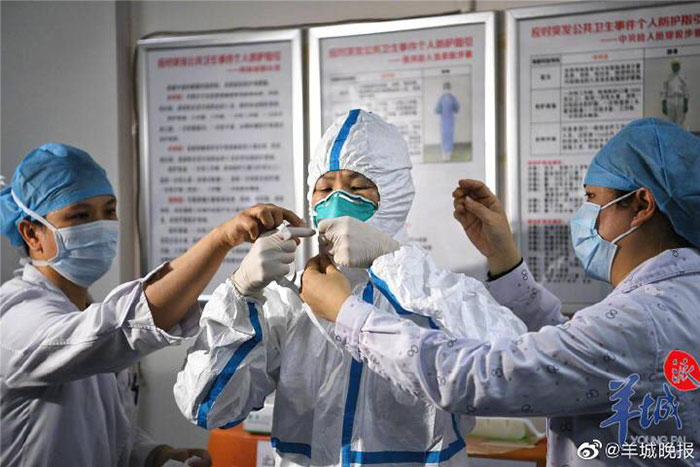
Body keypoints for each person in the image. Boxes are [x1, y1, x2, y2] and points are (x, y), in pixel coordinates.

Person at [301, 118, 700, 466]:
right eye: (324, 187)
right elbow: (566, 347)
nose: (338, 201)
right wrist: (504, 260)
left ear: (641, 205)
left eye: (592, 199)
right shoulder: (675, 298)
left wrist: (348, 313)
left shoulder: (640, 321)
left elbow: (478, 375)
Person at [174, 109, 526, 466]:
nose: (338, 200)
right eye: (325, 188)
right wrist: (240, 293)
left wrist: (393, 259)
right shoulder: (290, 300)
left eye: (358, 187)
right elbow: (206, 407)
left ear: (394, 193)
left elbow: (513, 371)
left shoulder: (438, 293)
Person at [0, 143, 307, 467]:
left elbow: (102, 427)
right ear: (31, 233)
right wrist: (222, 241)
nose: (101, 224)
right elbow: (122, 327)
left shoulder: (79, 308)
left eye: (109, 210)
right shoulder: (16, 319)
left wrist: (153, 455)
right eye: (80, 215)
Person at [435, 81, 460, 161]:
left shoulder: (453, 98)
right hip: (443, 120)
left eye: (448, 89)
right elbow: (437, 110)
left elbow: (457, 108)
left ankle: (449, 154)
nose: (447, 90)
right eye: (445, 89)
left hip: (450, 120)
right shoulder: (441, 99)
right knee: (444, 136)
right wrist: (440, 112)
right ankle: (444, 154)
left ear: (450, 89)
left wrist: (455, 111)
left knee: (450, 136)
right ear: (443, 89)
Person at [662, 60, 688, 127]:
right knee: (670, 118)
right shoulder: (668, 77)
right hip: (670, 99)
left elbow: (686, 89)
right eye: (674, 65)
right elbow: (664, 89)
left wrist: (686, 102)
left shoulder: (682, 77)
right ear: (672, 67)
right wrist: (663, 102)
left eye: (677, 65)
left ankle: (679, 132)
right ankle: (671, 132)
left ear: (679, 66)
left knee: (680, 118)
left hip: (680, 98)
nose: (675, 67)